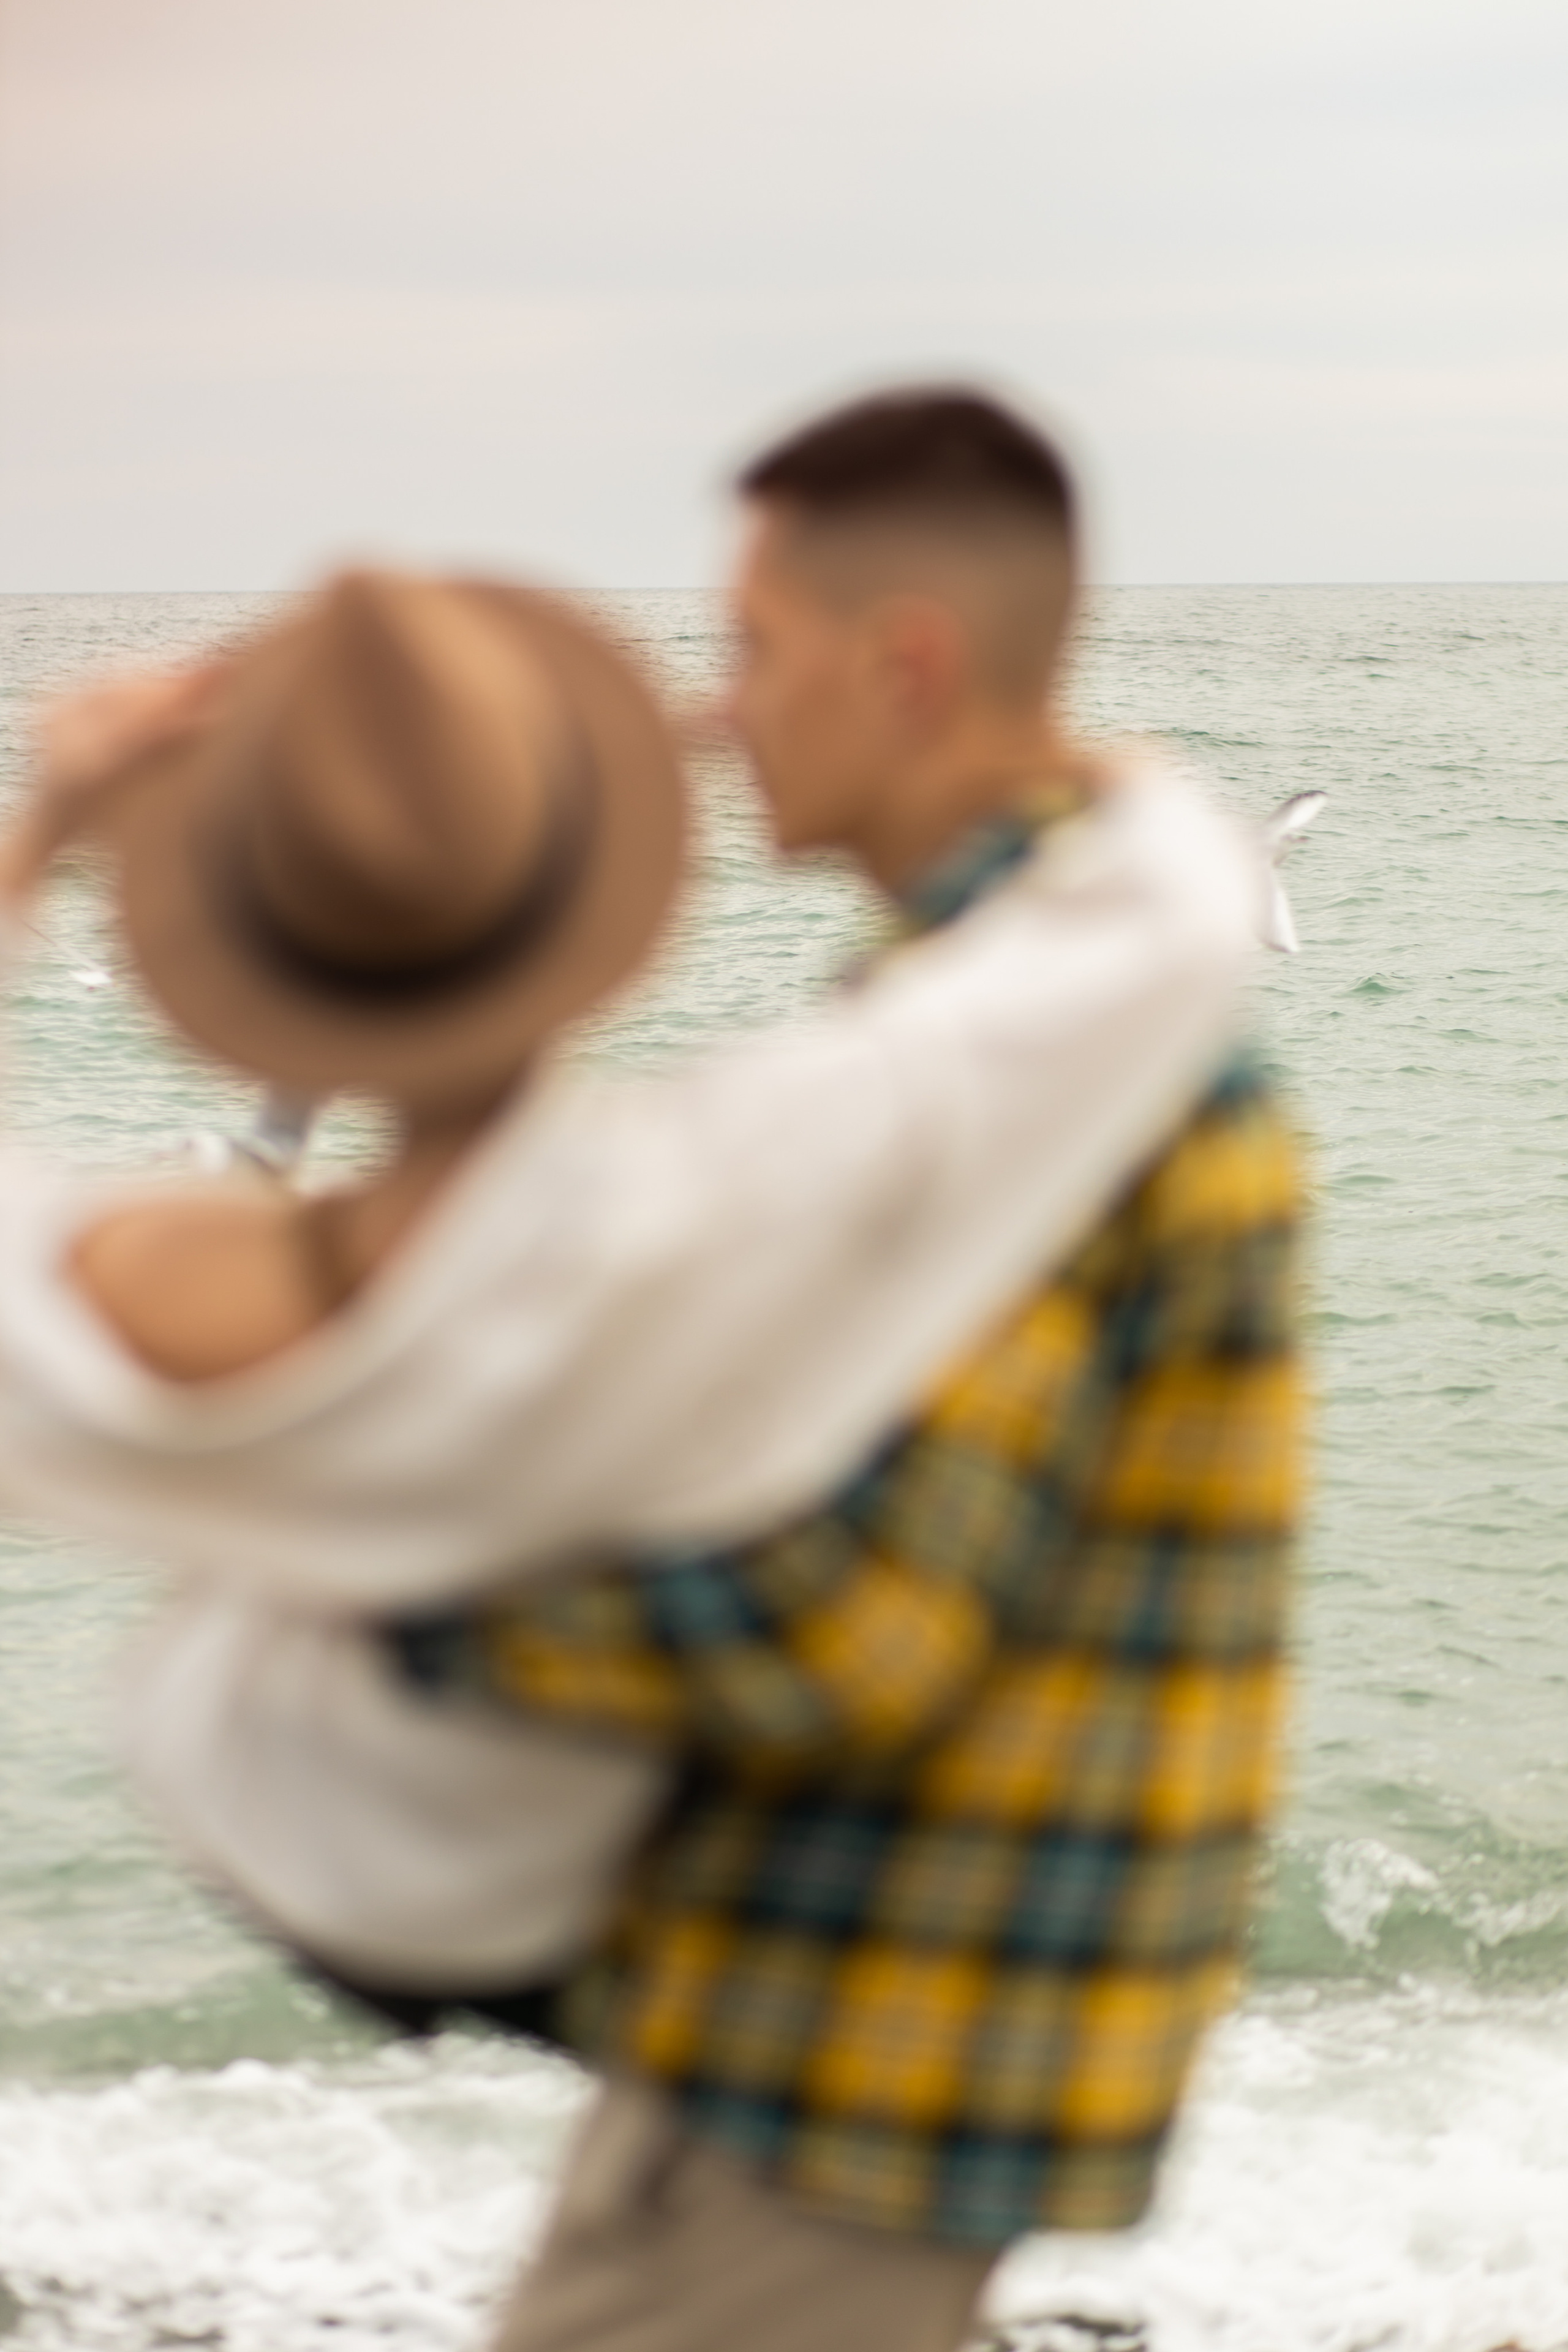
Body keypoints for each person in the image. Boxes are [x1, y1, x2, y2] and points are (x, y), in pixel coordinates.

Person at [0, 423, 1259, 2024]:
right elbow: (1170, 908)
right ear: (587, 897)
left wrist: (50, 820)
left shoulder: (207, 1292)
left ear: (237, 956)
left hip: (336, 1883)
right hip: (576, 1905)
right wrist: (600, 759)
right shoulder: (739, 1178)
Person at [383, 390, 1305, 2352]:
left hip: (858, 2073)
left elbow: (854, 1624)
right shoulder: (1010, 1018)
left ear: (904, 665)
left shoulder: (1041, 1078)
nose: (714, 716)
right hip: (868, 2040)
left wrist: (383, 1579)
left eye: (751, 653)